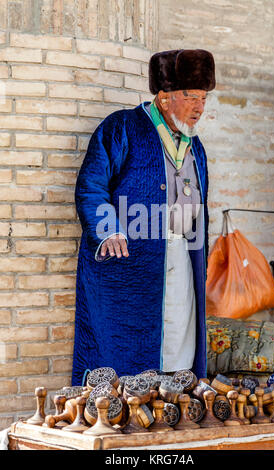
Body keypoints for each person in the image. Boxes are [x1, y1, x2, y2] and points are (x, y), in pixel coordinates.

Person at [72, 49, 216, 385]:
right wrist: (108, 230)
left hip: (181, 256)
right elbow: (91, 186)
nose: (199, 107)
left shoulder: (197, 147)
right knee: (124, 353)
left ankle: (173, 402)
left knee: (180, 338)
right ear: (165, 99)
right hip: (129, 264)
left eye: (203, 98)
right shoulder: (122, 127)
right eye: (190, 96)